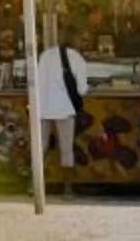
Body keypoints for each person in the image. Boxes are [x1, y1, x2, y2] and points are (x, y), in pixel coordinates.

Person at [36, 31, 89, 178]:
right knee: (66, 150)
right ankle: (68, 188)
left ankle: (33, 185)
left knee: (41, 147)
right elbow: (82, 90)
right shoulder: (77, 58)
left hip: (43, 108)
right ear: (75, 40)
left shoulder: (45, 55)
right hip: (64, 109)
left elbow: (38, 81)